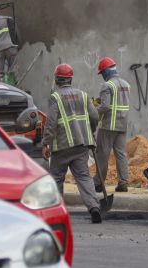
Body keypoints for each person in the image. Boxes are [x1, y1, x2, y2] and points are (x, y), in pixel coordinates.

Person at [42, 63, 102, 223]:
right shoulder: (83, 95)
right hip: (81, 145)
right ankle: (94, 207)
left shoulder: (55, 97)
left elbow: (51, 123)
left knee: (56, 178)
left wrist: (45, 143)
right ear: (71, 79)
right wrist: (90, 131)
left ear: (56, 79)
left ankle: (57, 211)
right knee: (84, 177)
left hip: (61, 147)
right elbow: (95, 117)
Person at [93, 57, 131, 193]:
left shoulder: (107, 85)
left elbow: (105, 107)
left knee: (102, 154)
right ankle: (123, 182)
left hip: (108, 126)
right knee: (120, 154)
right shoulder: (126, 84)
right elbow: (116, 102)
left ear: (107, 71)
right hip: (122, 125)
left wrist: (93, 113)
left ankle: (98, 183)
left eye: (102, 72)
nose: (102, 75)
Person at [0, 12, 18, 84]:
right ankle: (12, 85)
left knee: (0, 72)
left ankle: (0, 85)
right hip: (11, 47)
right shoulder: (8, 19)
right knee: (13, 68)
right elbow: (15, 33)